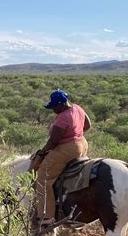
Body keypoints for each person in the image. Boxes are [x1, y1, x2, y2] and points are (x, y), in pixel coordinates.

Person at [35, 89, 91, 227]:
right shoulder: (77, 108)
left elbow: (54, 141)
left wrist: (42, 152)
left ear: (61, 104)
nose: (53, 110)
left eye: (54, 106)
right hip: (82, 143)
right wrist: (76, 133)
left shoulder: (63, 117)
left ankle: (47, 217)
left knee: (42, 177)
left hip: (68, 149)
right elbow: (88, 125)